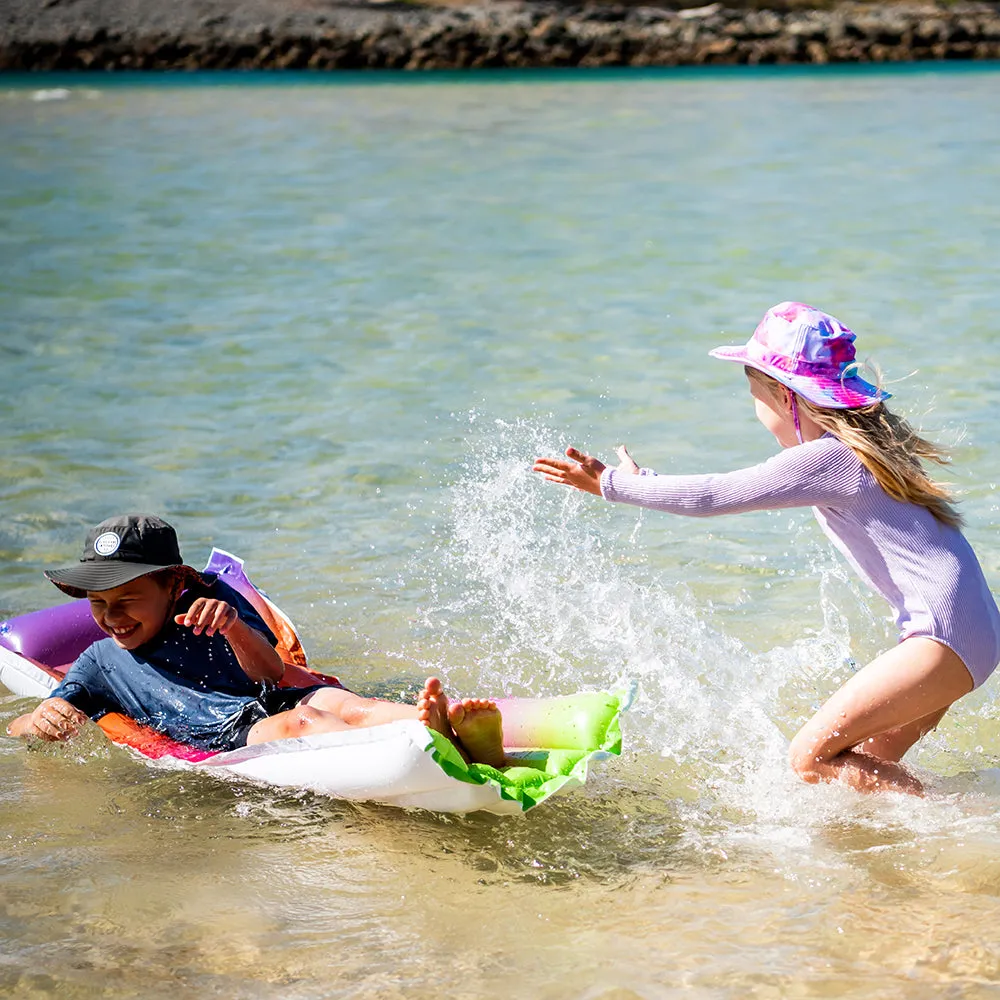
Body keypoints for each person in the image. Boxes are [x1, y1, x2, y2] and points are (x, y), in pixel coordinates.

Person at [533, 301, 1000, 796]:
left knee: (809, 759)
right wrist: (641, 482)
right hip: (976, 630)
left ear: (784, 394)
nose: (757, 411)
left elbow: (715, 496)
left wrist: (611, 483)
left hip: (942, 638)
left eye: (755, 395)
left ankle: (969, 827)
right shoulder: (868, 448)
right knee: (861, 767)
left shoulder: (829, 458)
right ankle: (928, 842)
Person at [7, 514, 507, 769]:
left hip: (273, 699)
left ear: (173, 586)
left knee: (345, 703)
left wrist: (234, 627)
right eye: (98, 603)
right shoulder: (99, 662)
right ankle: (443, 747)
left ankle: (450, 732)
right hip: (231, 737)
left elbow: (270, 673)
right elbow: (20, 729)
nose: (111, 617)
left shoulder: (211, 609)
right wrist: (36, 720)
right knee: (305, 721)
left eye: (127, 599)